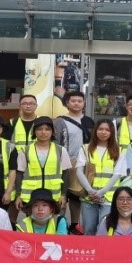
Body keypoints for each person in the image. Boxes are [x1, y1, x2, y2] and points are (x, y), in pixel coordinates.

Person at [54, 90, 93, 232]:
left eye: (80, 101)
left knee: (77, 195)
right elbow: (56, 143)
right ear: (67, 103)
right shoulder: (60, 121)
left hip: (84, 163)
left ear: (84, 103)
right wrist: (62, 161)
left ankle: (74, 224)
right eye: (73, 101)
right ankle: (60, 223)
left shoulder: (89, 121)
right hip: (65, 163)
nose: (77, 104)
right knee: (63, 194)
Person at [76, 120, 123, 236]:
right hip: (89, 196)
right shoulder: (85, 148)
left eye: (107, 130)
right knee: (89, 229)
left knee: (105, 230)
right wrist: (90, 191)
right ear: (95, 131)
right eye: (100, 129)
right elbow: (79, 171)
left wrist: (102, 192)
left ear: (112, 132)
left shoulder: (119, 150)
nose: (103, 132)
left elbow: (117, 174)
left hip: (108, 197)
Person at [16, 116, 71, 211]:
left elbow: (66, 173)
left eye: (47, 129)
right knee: (31, 220)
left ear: (53, 132)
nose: (43, 132)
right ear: (34, 132)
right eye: (39, 129)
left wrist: (63, 195)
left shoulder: (61, 150)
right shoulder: (25, 151)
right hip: (31, 197)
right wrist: (18, 195)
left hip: (54, 196)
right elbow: (19, 174)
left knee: (52, 220)